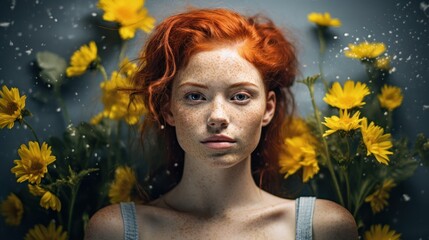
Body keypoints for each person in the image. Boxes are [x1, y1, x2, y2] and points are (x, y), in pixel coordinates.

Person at [84, 8, 358, 240]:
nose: (217, 116)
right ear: (168, 109)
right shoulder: (115, 230)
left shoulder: (322, 227)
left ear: (268, 108)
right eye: (195, 96)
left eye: (240, 96)